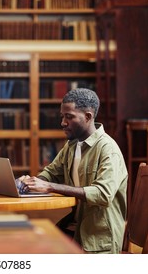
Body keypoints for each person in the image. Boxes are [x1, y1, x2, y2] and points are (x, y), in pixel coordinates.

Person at [17, 88, 127, 254]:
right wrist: (32, 182)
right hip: (75, 228)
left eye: (69, 117)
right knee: (30, 245)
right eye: (62, 116)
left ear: (88, 117)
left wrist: (50, 187)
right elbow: (50, 173)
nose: (63, 122)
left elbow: (103, 194)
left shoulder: (107, 149)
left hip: (97, 239)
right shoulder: (72, 145)